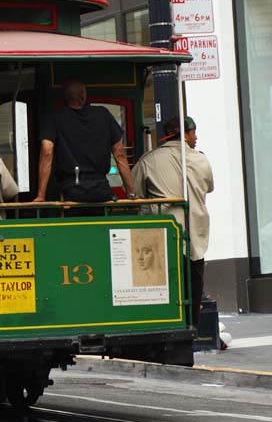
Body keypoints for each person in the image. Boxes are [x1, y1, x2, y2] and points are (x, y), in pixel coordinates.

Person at [132, 116, 215, 326]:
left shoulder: (149, 160)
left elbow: (134, 191)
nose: (196, 137)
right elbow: (209, 186)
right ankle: (191, 326)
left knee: (165, 283)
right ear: (185, 134)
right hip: (194, 233)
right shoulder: (201, 159)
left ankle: (165, 321)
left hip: (162, 236)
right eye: (193, 132)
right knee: (194, 282)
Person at [33, 78, 136, 211]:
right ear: (83, 96)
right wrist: (131, 193)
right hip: (101, 190)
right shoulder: (103, 114)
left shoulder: (53, 117)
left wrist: (41, 195)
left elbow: (47, 152)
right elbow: (119, 154)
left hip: (70, 190)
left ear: (65, 97)